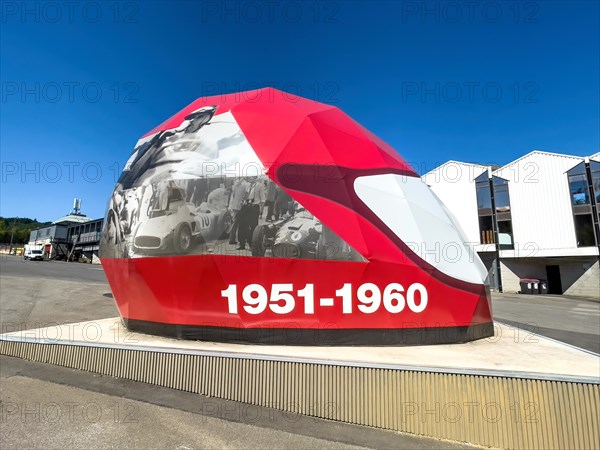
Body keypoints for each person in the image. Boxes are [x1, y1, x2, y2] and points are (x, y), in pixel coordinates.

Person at [228, 177, 249, 244]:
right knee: (242, 223)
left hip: (234, 205)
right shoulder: (245, 184)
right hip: (241, 206)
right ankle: (242, 239)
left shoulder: (235, 183)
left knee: (234, 223)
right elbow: (246, 196)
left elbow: (233, 195)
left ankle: (232, 238)